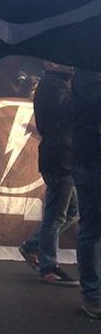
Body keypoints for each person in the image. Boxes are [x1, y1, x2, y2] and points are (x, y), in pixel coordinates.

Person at [18, 63, 78, 285]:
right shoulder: (54, 87)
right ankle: (48, 266)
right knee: (57, 215)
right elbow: (70, 112)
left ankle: (33, 245)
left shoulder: (55, 85)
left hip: (62, 156)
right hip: (61, 158)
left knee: (71, 211)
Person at [70, 68, 101, 318]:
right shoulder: (87, 78)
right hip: (92, 164)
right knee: (91, 230)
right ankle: (92, 294)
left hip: (90, 162)